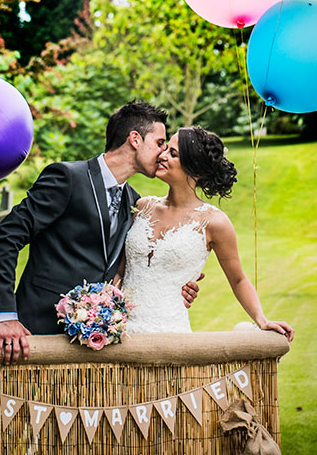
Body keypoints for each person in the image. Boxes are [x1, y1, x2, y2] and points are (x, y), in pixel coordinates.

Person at [0, 101, 200, 363]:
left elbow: (128, 267)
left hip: (96, 346)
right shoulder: (67, 178)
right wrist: (6, 316)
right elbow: (6, 237)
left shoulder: (134, 201)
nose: (163, 152)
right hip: (35, 334)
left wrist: (173, 285)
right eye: (159, 142)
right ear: (135, 139)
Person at [116, 125, 294, 341]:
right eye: (165, 149)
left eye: (172, 154)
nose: (161, 156)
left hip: (170, 333)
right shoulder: (142, 207)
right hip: (121, 332)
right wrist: (101, 309)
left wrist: (262, 320)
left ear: (195, 170)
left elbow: (238, 280)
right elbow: (121, 270)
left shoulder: (215, 223)